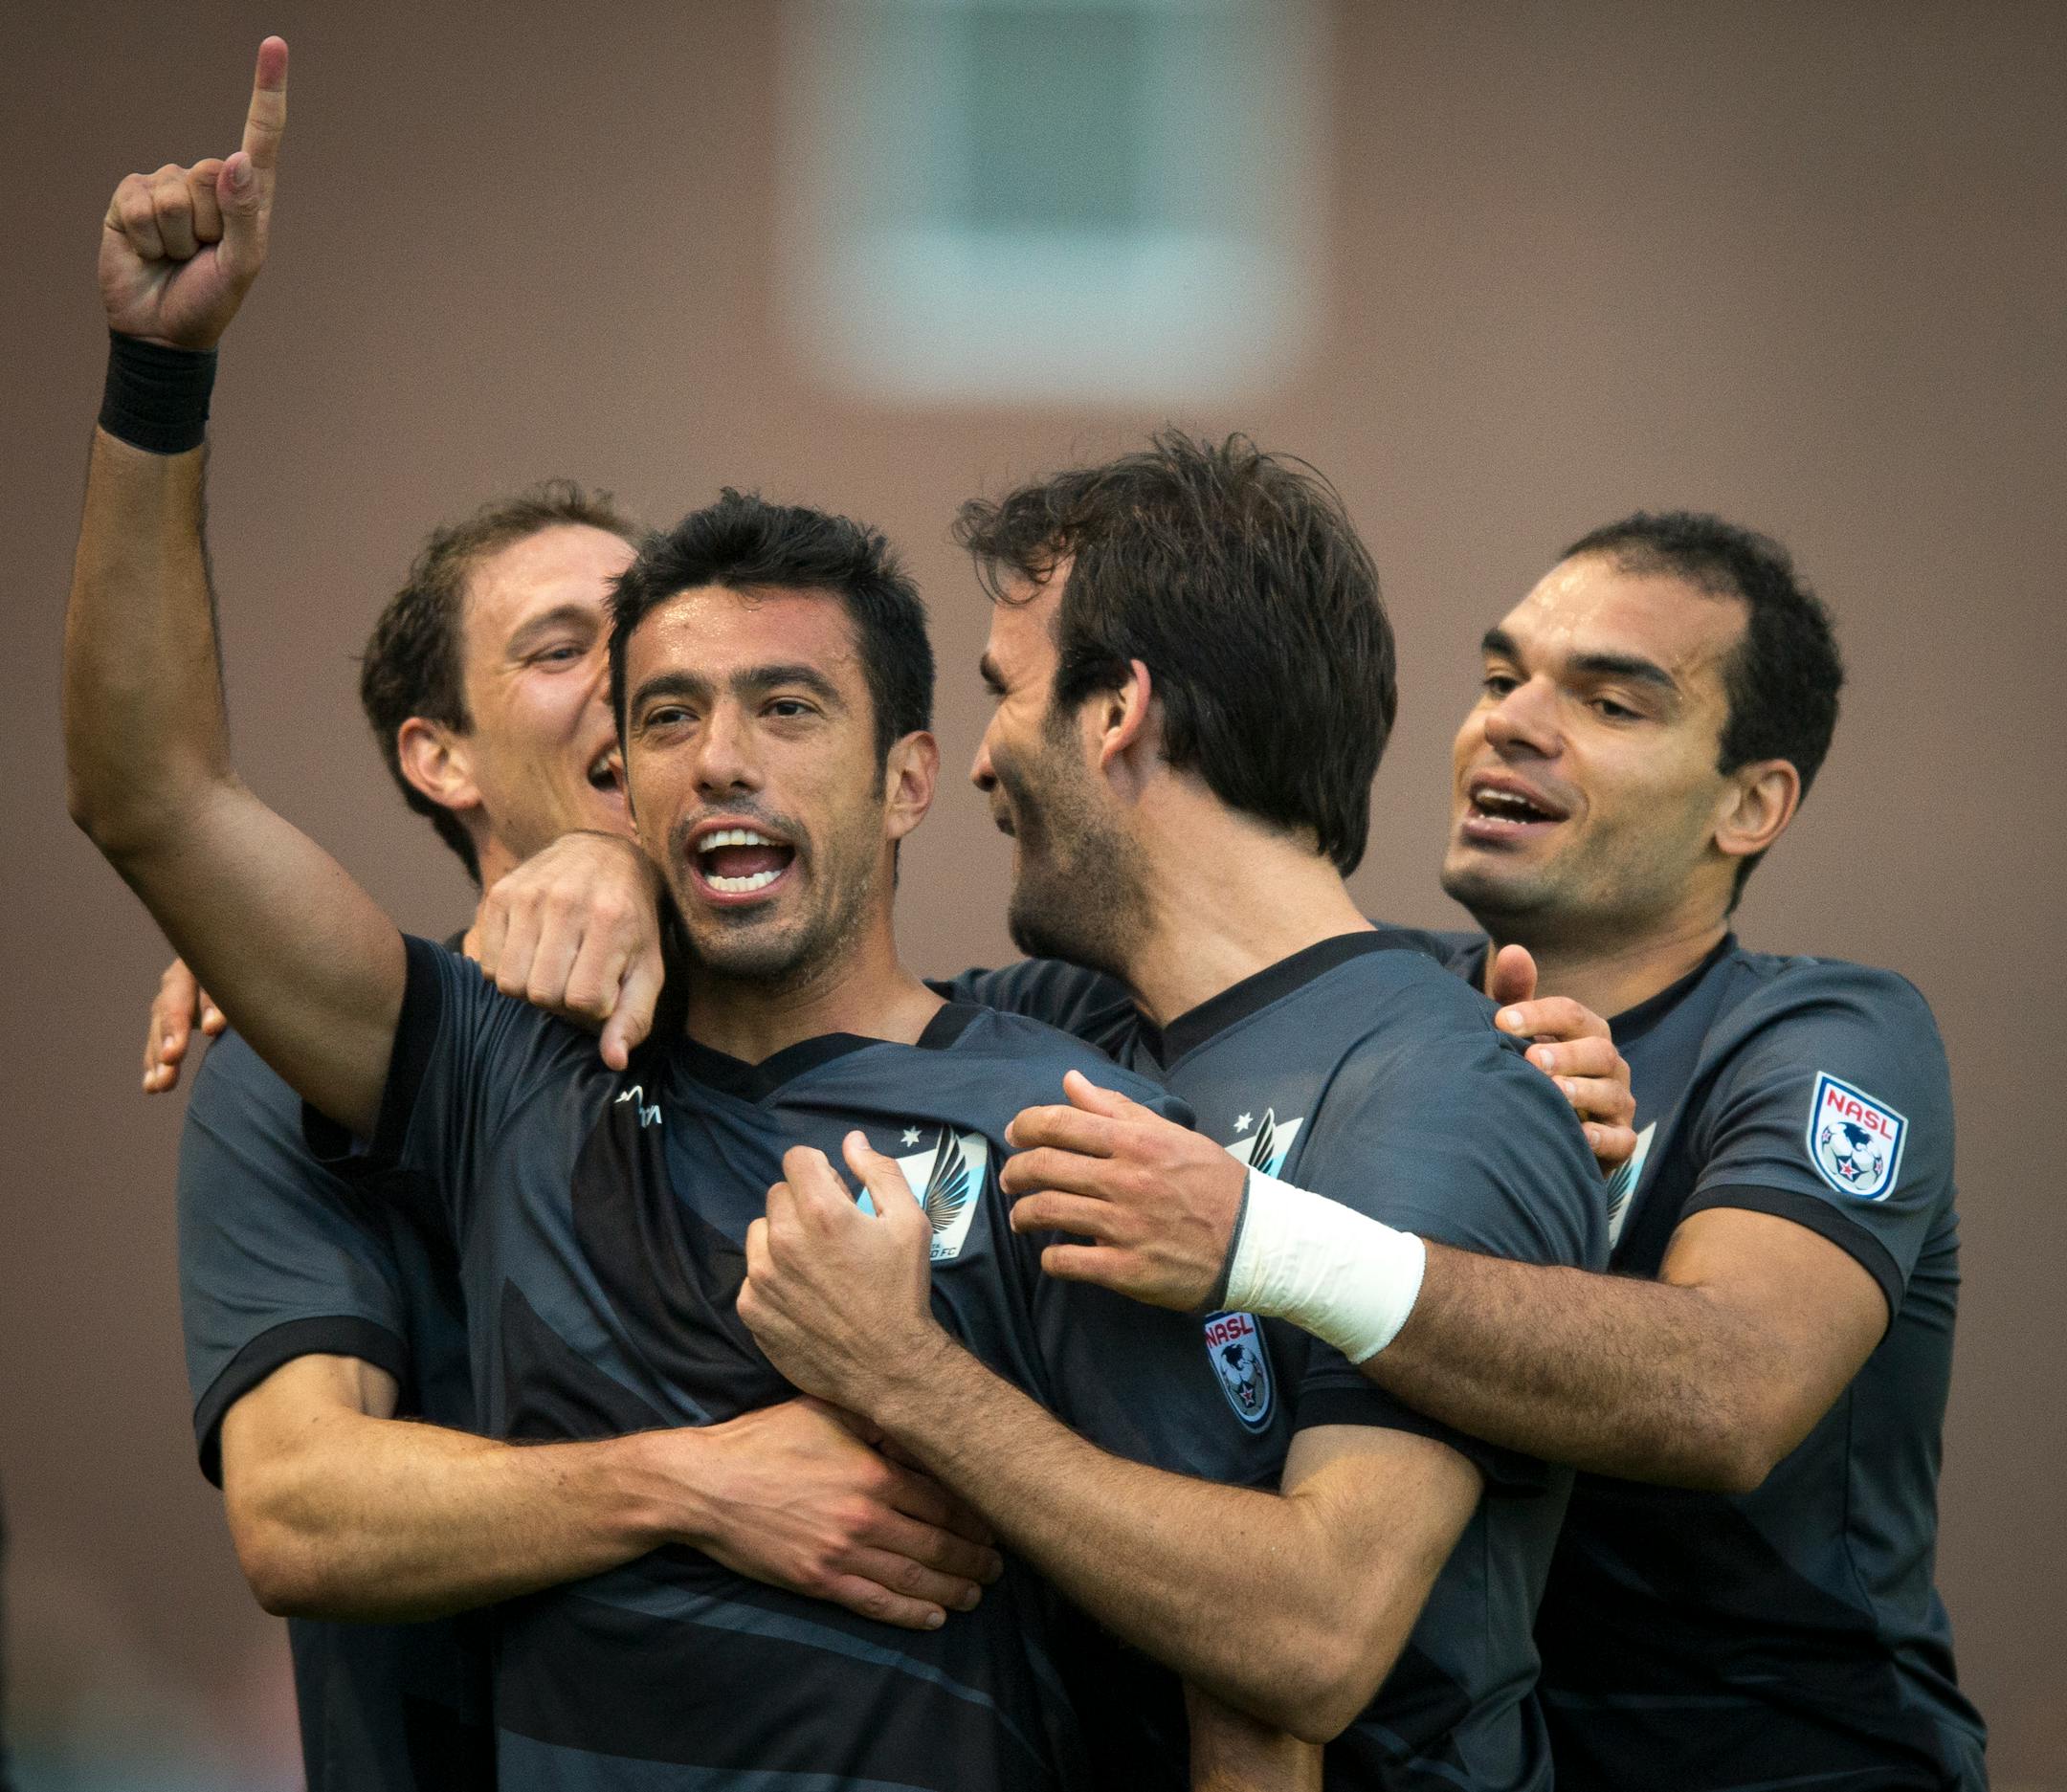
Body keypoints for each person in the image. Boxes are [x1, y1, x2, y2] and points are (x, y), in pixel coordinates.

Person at [66, 49, 1587, 1784]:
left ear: (910, 779)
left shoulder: (1068, 1130)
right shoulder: (493, 1067)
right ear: (614, 782)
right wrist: (159, 372)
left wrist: (1489, 1010)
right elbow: (150, 796)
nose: (722, 760)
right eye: (664, 715)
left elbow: (1252, 1689)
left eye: (789, 711)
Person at [100, 45, 1003, 1791]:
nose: (648, 696)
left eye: (654, 652)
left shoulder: (932, 1039)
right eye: (561, 650)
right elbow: (299, 1510)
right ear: (435, 755)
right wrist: (700, 1480)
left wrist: (1506, 1033)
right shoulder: (324, 1061)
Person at [998, 513, 1987, 1788]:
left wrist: (1261, 1237)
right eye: (1500, 676)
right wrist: (639, 879)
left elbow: (1732, 1393)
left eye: (1614, 703)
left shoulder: (1824, 1033)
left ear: (1751, 803)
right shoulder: (1394, 1022)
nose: (1512, 721)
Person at [727, 433, 1613, 1789]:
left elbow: (1321, 1633)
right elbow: (791, 995)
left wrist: (906, 1377)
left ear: (1118, 709)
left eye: (1006, 694)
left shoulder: (1439, 1085)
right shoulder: (1069, 1028)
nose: (979, 766)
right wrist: (594, 882)